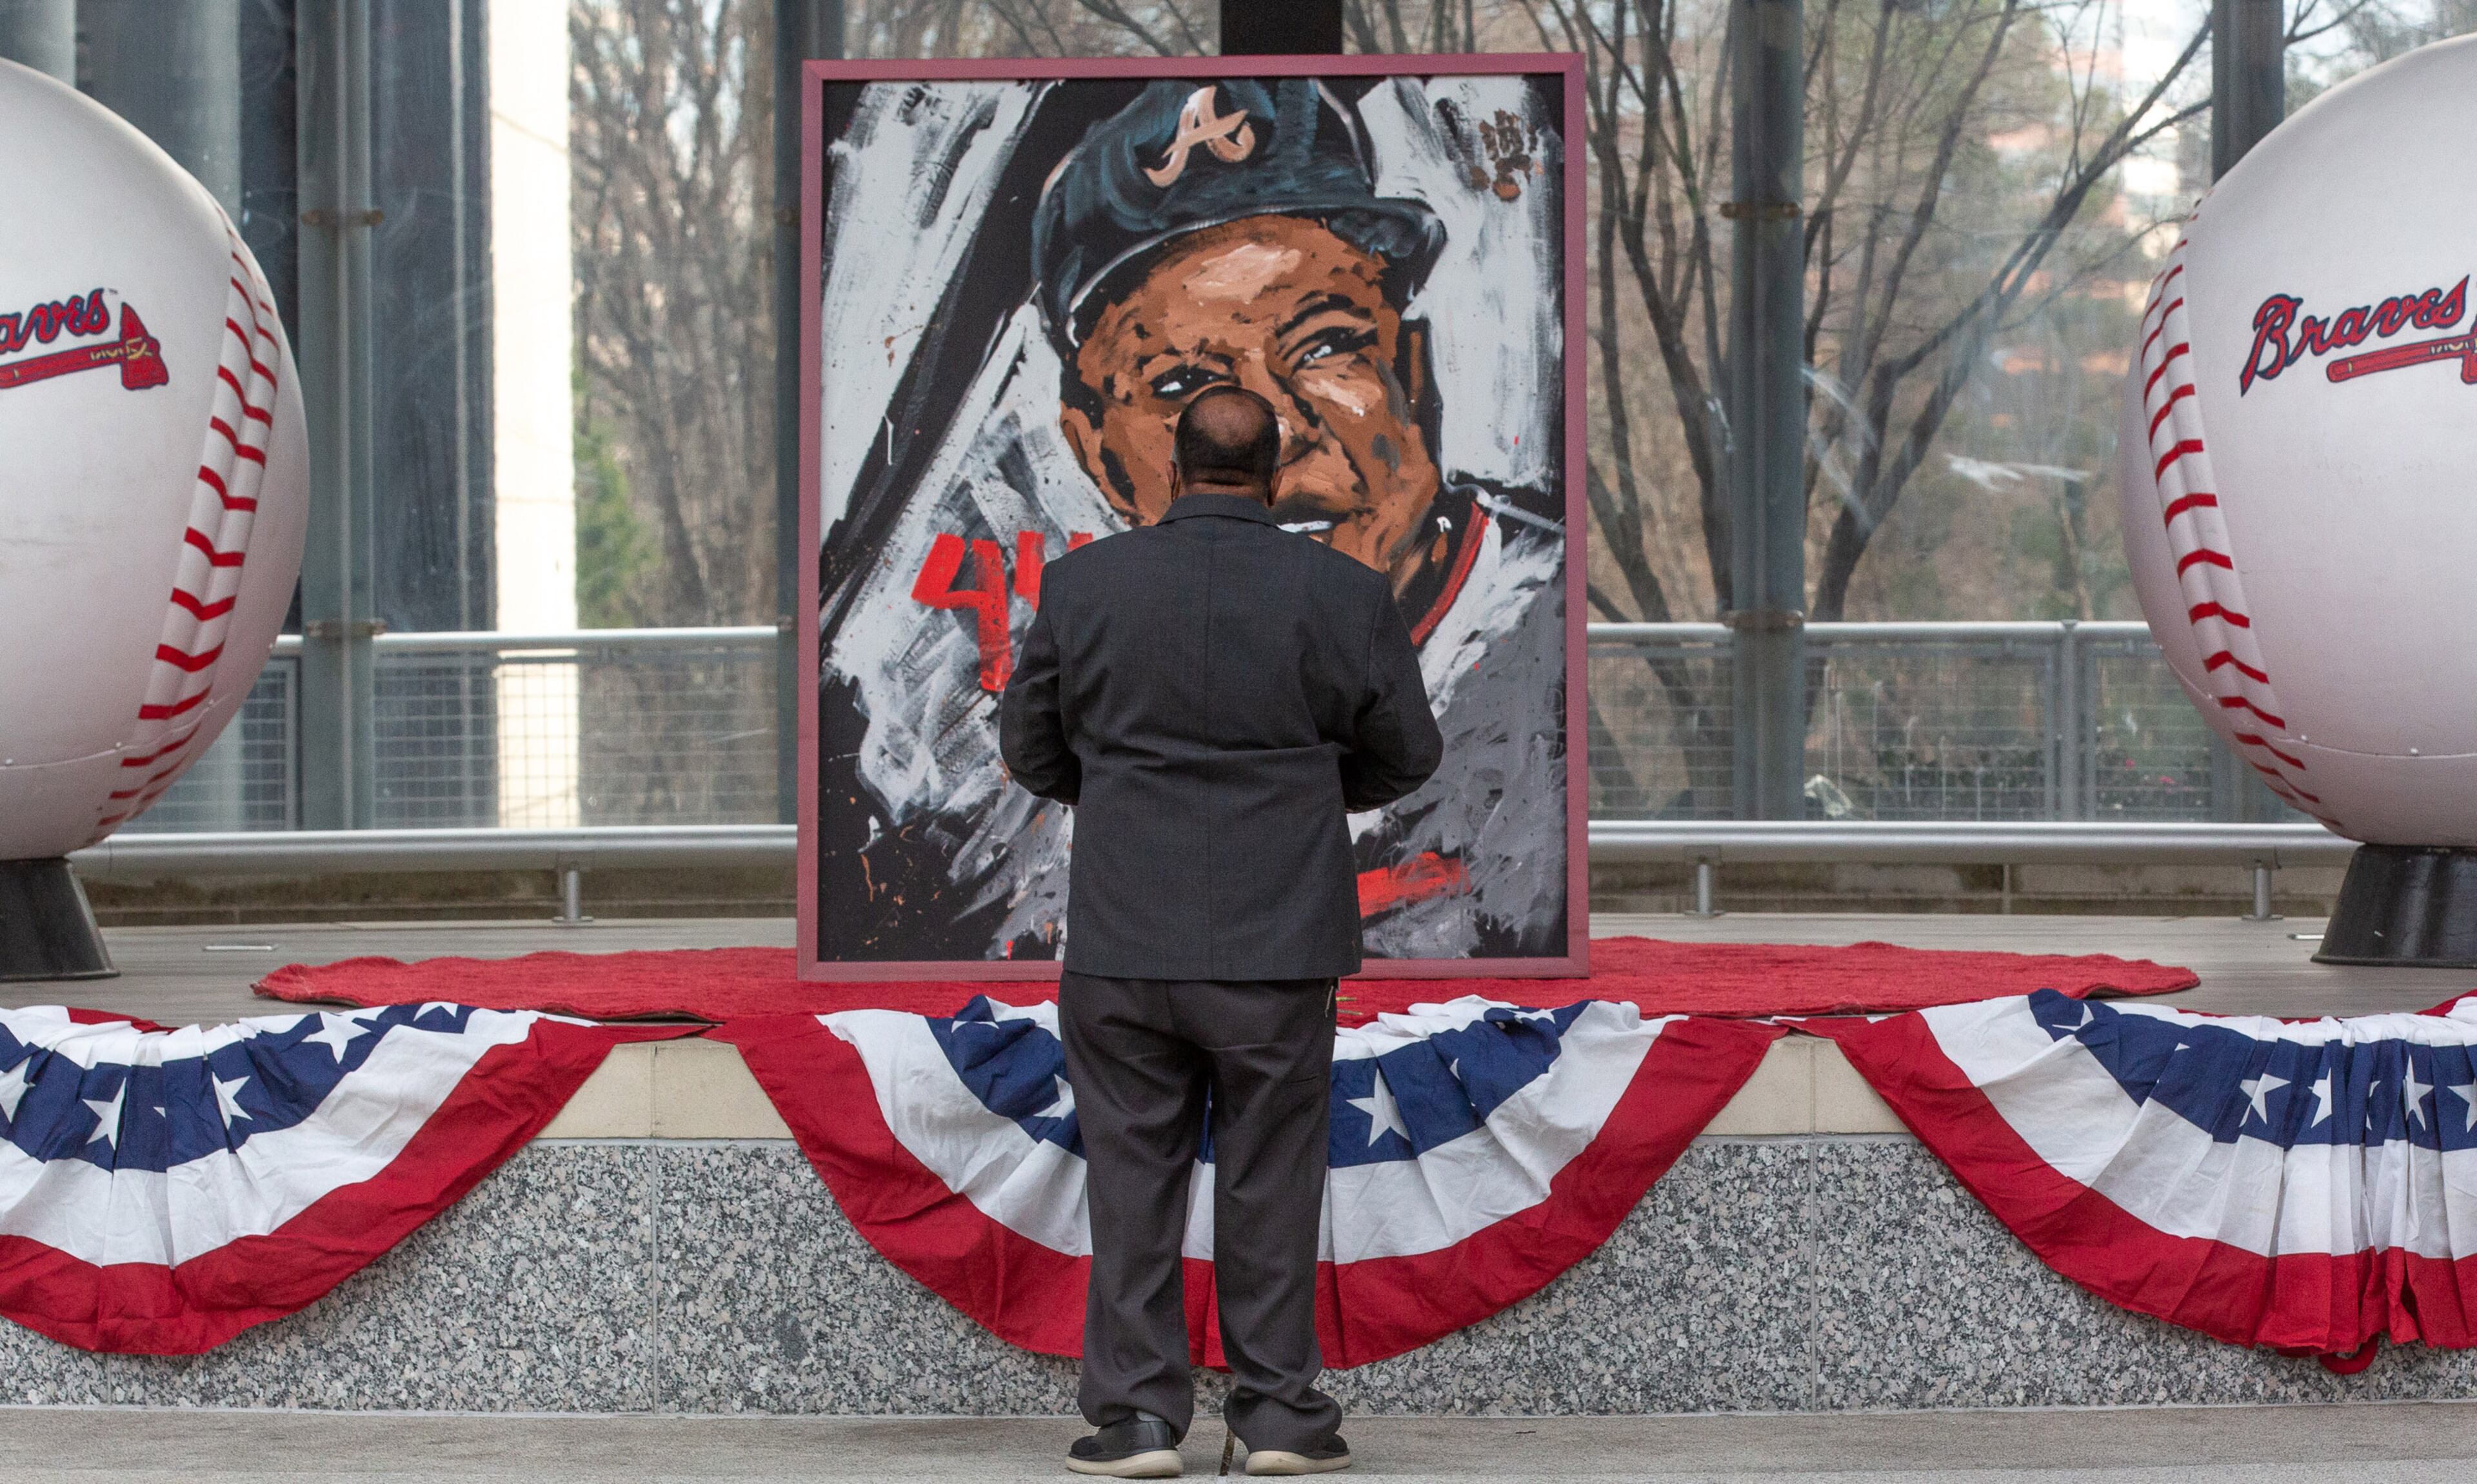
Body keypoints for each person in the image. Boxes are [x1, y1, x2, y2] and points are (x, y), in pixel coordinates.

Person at [999, 387, 1443, 1478]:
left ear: (1170, 464)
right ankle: (1277, 1415)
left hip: (1122, 939)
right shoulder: (1341, 592)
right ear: (1279, 470)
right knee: (1272, 1177)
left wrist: (1119, 786)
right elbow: (1409, 753)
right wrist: (1308, 788)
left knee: (1131, 1175)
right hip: (1279, 942)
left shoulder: (1084, 585)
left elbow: (1031, 748)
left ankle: (1140, 1421)